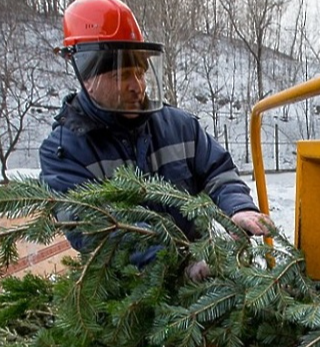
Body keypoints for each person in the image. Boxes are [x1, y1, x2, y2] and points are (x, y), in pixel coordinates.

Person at [39, 0, 273, 281]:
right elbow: (96, 231)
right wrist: (180, 263)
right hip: (126, 296)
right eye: (122, 75)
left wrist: (238, 207)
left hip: (200, 277)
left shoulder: (179, 126)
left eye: (140, 73)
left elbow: (218, 171)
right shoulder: (64, 152)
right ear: (87, 76)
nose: (137, 86)